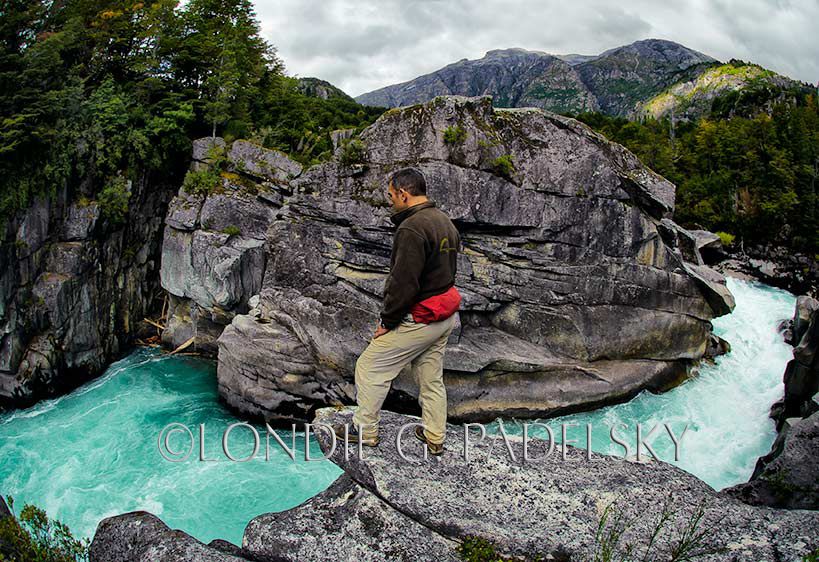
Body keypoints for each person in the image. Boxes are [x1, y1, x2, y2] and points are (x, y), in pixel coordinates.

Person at [333, 167, 461, 455]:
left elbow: (403, 283)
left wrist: (387, 322)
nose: (391, 200)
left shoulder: (412, 228)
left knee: (370, 367)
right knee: (430, 378)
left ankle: (365, 431)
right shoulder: (445, 222)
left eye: (392, 195)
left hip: (421, 317)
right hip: (444, 315)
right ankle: (435, 435)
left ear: (404, 194)